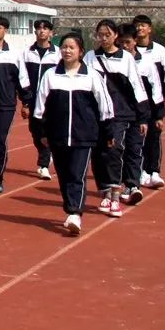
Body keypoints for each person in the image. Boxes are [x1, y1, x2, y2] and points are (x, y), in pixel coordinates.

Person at [34, 32, 114, 235]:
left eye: (71, 47)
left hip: (84, 135)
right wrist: (41, 132)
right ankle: (70, 206)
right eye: (64, 47)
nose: (67, 50)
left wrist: (108, 131)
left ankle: (74, 213)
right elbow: (39, 107)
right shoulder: (51, 75)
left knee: (77, 174)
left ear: (80, 52)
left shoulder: (91, 76)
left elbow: (105, 106)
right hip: (57, 134)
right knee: (63, 175)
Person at [84, 20, 150, 217]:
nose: (103, 38)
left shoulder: (126, 59)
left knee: (114, 149)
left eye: (107, 34)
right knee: (98, 154)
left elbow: (137, 87)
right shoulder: (90, 57)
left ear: (115, 36)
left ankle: (115, 195)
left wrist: (143, 117)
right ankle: (104, 191)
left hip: (120, 114)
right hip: (96, 114)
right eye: (100, 35)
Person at [0, 16, 30, 193]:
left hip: (6, 105)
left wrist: (26, 102)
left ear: (5, 30)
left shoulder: (14, 54)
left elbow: (22, 80)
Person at [118, 23, 165, 204]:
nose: (124, 46)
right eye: (121, 42)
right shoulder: (114, 61)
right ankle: (117, 184)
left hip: (139, 114)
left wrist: (157, 114)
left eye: (127, 42)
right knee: (117, 151)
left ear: (135, 41)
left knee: (134, 149)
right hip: (118, 114)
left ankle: (132, 185)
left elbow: (156, 89)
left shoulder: (146, 63)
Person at [132, 14, 165, 188]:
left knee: (154, 136)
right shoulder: (130, 51)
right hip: (135, 103)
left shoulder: (159, 51)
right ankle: (142, 171)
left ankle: (154, 171)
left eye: (143, 25)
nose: (140, 28)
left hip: (153, 102)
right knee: (138, 137)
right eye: (137, 25)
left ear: (150, 29)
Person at [21, 19, 62, 180]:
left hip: (51, 100)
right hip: (32, 99)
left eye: (45, 29)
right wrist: (25, 101)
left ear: (51, 33)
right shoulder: (26, 53)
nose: (42, 31)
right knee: (35, 131)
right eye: (38, 28)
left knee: (49, 129)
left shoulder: (57, 53)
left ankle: (43, 164)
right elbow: (22, 78)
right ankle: (46, 152)